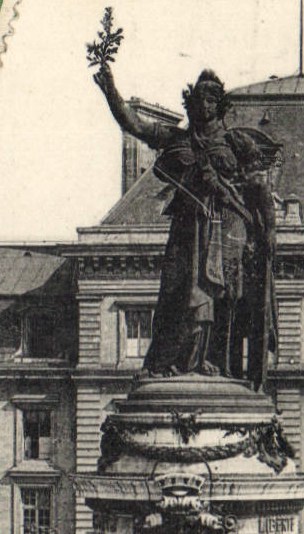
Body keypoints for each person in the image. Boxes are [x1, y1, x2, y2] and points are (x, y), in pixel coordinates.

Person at [94, 58, 280, 387]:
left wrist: (265, 228)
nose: (203, 105)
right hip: (187, 228)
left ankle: (216, 362)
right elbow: (135, 125)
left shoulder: (236, 142)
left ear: (220, 105)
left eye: (210, 99)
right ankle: (174, 361)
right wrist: (111, 91)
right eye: (198, 99)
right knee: (177, 291)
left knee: (222, 297)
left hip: (225, 228)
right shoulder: (178, 139)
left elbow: (258, 185)